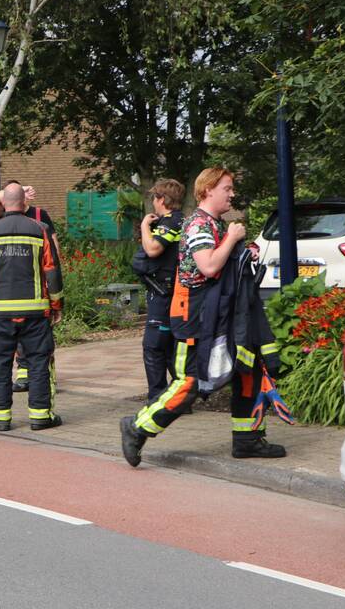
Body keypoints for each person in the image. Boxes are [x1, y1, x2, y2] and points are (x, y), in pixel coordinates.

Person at [120, 167, 287, 465]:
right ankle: (137, 427)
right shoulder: (198, 223)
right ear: (208, 190)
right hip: (195, 318)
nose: (232, 193)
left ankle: (248, 439)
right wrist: (232, 237)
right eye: (227, 188)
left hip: (218, 314)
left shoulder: (214, 223)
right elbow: (208, 266)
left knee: (247, 368)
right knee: (191, 382)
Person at [0, 182, 63, 432]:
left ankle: (0, 419)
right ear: (24, 204)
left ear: (3, 204)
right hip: (36, 312)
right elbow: (52, 272)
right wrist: (57, 306)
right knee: (38, 362)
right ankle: (41, 416)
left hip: (0, 314)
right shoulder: (40, 230)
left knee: (0, 364)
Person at [0, 180, 63, 393]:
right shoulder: (1, 214)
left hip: (37, 288)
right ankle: (25, 376)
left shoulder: (41, 216)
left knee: (39, 343)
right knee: (28, 338)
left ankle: (44, 378)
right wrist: (16, 192)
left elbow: (54, 249)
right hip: (16, 289)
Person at [137, 179, 185, 402]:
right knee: (168, 347)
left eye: (155, 198)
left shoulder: (171, 222)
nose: (153, 202)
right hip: (171, 291)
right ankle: (178, 398)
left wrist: (144, 226)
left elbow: (153, 249)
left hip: (165, 293)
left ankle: (159, 398)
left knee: (154, 346)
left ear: (163, 199)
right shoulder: (181, 220)